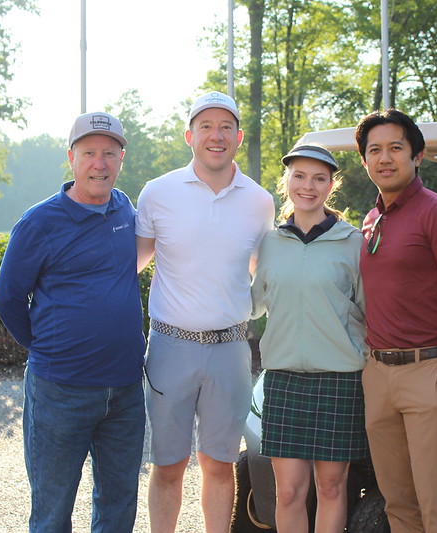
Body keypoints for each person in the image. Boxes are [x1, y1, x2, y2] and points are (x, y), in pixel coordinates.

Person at [0, 111, 146, 533]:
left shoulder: (125, 208)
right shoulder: (40, 222)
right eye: (90, 153)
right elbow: (6, 297)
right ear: (72, 158)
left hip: (126, 392)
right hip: (60, 391)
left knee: (118, 506)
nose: (100, 163)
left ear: (120, 160)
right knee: (52, 509)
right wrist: (44, 347)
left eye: (110, 153)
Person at [135, 91, 275, 533]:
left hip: (230, 348)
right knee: (169, 464)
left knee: (219, 463)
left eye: (226, 126)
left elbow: (267, 273)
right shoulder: (158, 193)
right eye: (206, 126)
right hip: (169, 347)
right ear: (189, 135)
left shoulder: (259, 200)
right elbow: (127, 268)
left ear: (238, 135)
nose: (217, 135)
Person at [356, 108, 437, 532]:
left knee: (436, 507)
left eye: (395, 148)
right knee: (398, 503)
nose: (385, 158)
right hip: (378, 375)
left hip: (428, 372)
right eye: (375, 150)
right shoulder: (372, 219)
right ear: (365, 160)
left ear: (417, 155)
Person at [251, 144, 368, 533]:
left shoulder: (352, 242)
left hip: (340, 380)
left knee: (332, 488)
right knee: (288, 492)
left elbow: (369, 310)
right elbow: (252, 305)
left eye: (319, 178)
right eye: (299, 176)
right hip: (283, 379)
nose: (308, 186)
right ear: (286, 181)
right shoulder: (269, 243)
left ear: (331, 185)